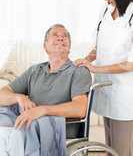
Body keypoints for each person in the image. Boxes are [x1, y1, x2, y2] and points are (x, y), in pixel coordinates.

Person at [0, 24, 91, 156]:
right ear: (45, 46)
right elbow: (3, 93)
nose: (61, 38)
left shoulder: (78, 71)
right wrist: (19, 97)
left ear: (69, 48)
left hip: (59, 123)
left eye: (64, 36)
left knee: (18, 134)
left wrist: (42, 110)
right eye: (55, 35)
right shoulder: (35, 70)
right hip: (29, 119)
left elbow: (80, 108)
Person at [75, 0, 133, 156]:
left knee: (122, 150)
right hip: (104, 89)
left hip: (124, 95)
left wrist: (95, 67)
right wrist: (87, 59)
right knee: (109, 149)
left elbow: (129, 64)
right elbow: (99, 45)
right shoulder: (106, 10)